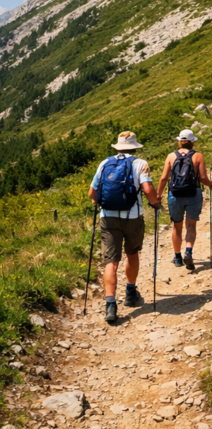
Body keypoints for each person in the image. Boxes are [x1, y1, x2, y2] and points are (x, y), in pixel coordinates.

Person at [88, 131, 161, 324]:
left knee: (111, 262)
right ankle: (130, 292)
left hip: (108, 218)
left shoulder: (104, 163)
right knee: (132, 254)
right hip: (132, 216)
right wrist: (156, 204)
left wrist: (102, 204)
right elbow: (147, 190)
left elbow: (92, 193)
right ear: (135, 146)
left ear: (118, 147)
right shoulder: (140, 164)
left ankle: (110, 305)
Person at [157, 129, 212, 271]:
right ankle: (188, 252)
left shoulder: (171, 156)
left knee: (177, 227)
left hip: (175, 195)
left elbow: (164, 178)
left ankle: (177, 257)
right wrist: (211, 184)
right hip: (193, 193)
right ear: (192, 142)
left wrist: (158, 195)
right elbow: (202, 178)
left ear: (179, 141)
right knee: (191, 225)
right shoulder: (198, 156)